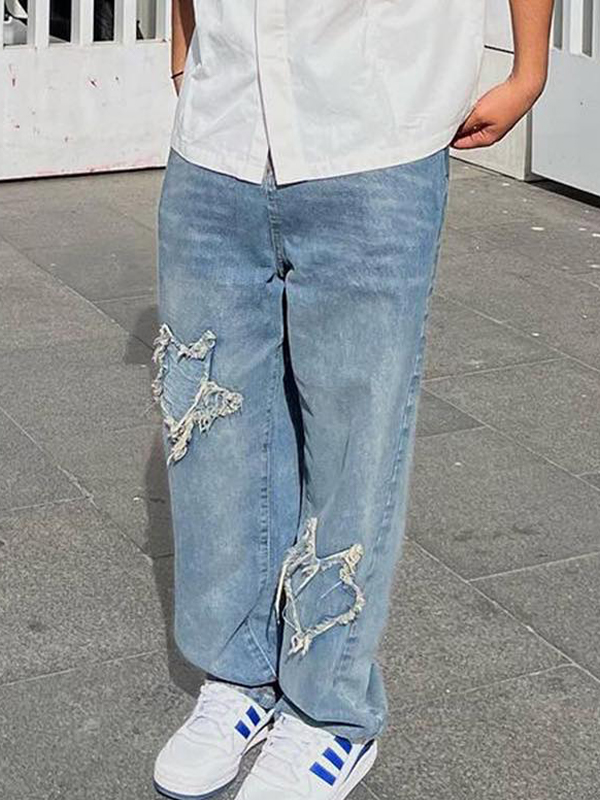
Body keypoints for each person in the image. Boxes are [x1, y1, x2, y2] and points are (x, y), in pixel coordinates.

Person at [151, 2, 554, 798]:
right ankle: (239, 674)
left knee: (354, 438)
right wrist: (183, 53)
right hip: (220, 129)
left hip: (372, 129)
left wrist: (531, 69)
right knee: (209, 427)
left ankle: (330, 712)